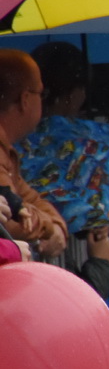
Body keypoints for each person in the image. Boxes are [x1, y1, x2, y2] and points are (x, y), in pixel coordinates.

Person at [0, 51, 70, 259]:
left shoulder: (6, 150)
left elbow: (29, 199)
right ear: (25, 99)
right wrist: (51, 229)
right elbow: (12, 222)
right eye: (42, 93)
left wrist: (55, 225)